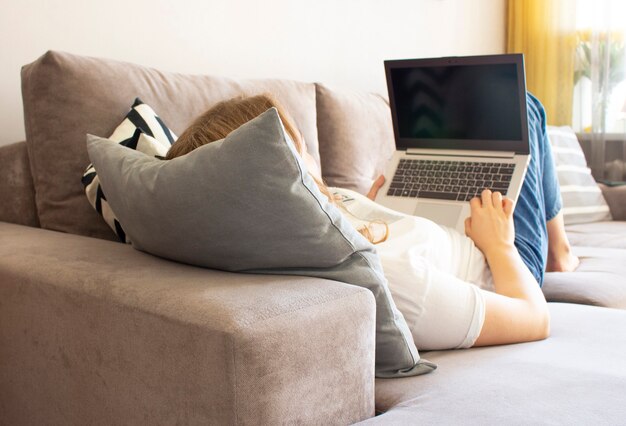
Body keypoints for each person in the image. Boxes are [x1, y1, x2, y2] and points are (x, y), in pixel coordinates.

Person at [166, 93, 579, 350]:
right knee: (526, 105)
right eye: (304, 151)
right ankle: (559, 253)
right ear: (286, 175)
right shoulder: (399, 284)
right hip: (502, 262)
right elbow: (533, 317)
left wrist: (358, 207)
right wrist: (501, 245)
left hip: (449, 234)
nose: (315, 163)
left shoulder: (308, 219)